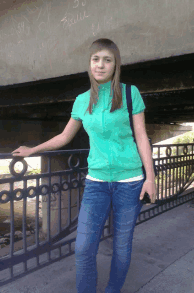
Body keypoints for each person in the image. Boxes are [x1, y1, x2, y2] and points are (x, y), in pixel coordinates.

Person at [12, 38, 156, 293]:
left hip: (130, 182)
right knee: (83, 249)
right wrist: (33, 150)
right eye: (95, 59)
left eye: (107, 60)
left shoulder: (130, 93)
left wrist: (150, 178)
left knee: (122, 247)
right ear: (90, 64)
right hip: (96, 183)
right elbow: (64, 137)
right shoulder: (82, 100)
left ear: (115, 64)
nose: (100, 65)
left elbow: (142, 137)